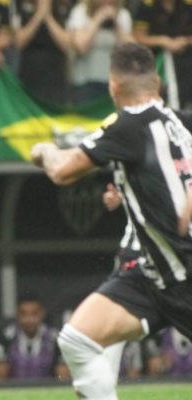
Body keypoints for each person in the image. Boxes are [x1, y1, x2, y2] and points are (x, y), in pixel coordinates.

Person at [30, 41, 192, 400]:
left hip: (184, 273)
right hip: (152, 275)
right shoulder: (180, 122)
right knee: (77, 337)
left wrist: (43, 151)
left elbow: (62, 171)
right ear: (159, 84)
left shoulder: (127, 125)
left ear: (113, 88)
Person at [66, 0, 133, 103]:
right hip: (85, 83)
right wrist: (98, 19)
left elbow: (129, 50)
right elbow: (81, 47)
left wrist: (116, 23)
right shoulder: (81, 12)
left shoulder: (123, 15)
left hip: (114, 84)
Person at [0, 293, 65, 380]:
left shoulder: (55, 339)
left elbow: (64, 379)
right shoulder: (5, 338)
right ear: (17, 314)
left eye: (34, 313)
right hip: (13, 391)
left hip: (47, 391)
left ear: (42, 314)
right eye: (23, 314)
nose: (29, 319)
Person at [132, 0, 192, 109]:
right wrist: (162, 41)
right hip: (157, 63)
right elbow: (138, 36)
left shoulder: (188, 4)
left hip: (186, 60)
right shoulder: (147, 5)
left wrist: (185, 41)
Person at [12, 0, 72, 104]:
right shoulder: (22, 9)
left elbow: (66, 44)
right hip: (29, 75)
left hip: (55, 79)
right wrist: (39, 15)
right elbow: (19, 43)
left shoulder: (61, 10)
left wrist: (48, 17)